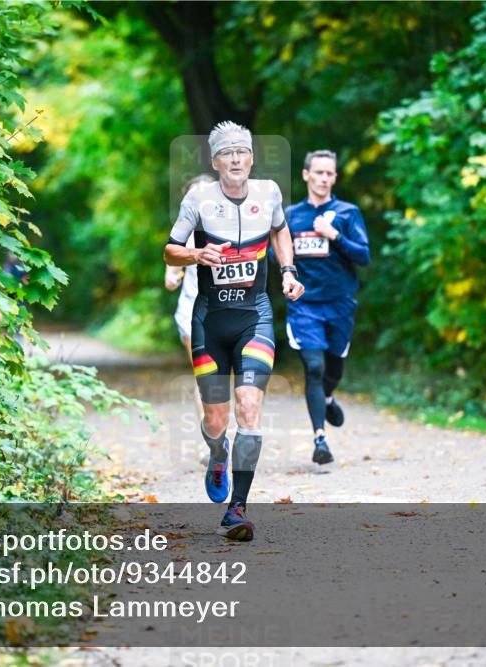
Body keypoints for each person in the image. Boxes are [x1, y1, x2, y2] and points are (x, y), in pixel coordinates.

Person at [164, 121, 304, 541]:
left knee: (248, 408)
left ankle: (237, 508)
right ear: (215, 161)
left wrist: (288, 270)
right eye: (227, 153)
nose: (236, 159)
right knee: (216, 418)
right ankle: (216, 453)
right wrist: (194, 253)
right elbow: (169, 249)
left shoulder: (269, 193)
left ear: (252, 157)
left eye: (242, 151)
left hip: (254, 317)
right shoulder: (198, 199)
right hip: (209, 319)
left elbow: (280, 230)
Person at [284, 150, 370, 465]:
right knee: (314, 368)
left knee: (333, 369)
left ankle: (329, 396)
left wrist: (334, 236)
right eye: (318, 172)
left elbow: (363, 256)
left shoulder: (348, 213)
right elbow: (275, 256)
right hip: (304, 305)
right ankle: (320, 439)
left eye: (329, 174)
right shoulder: (290, 216)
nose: (323, 178)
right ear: (306, 175)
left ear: (334, 178)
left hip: (340, 304)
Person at [165, 175, 216, 419]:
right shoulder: (182, 234)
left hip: (228, 311)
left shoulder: (230, 228)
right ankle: (213, 441)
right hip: (192, 311)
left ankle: (228, 430)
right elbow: (170, 274)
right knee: (205, 374)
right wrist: (173, 279)